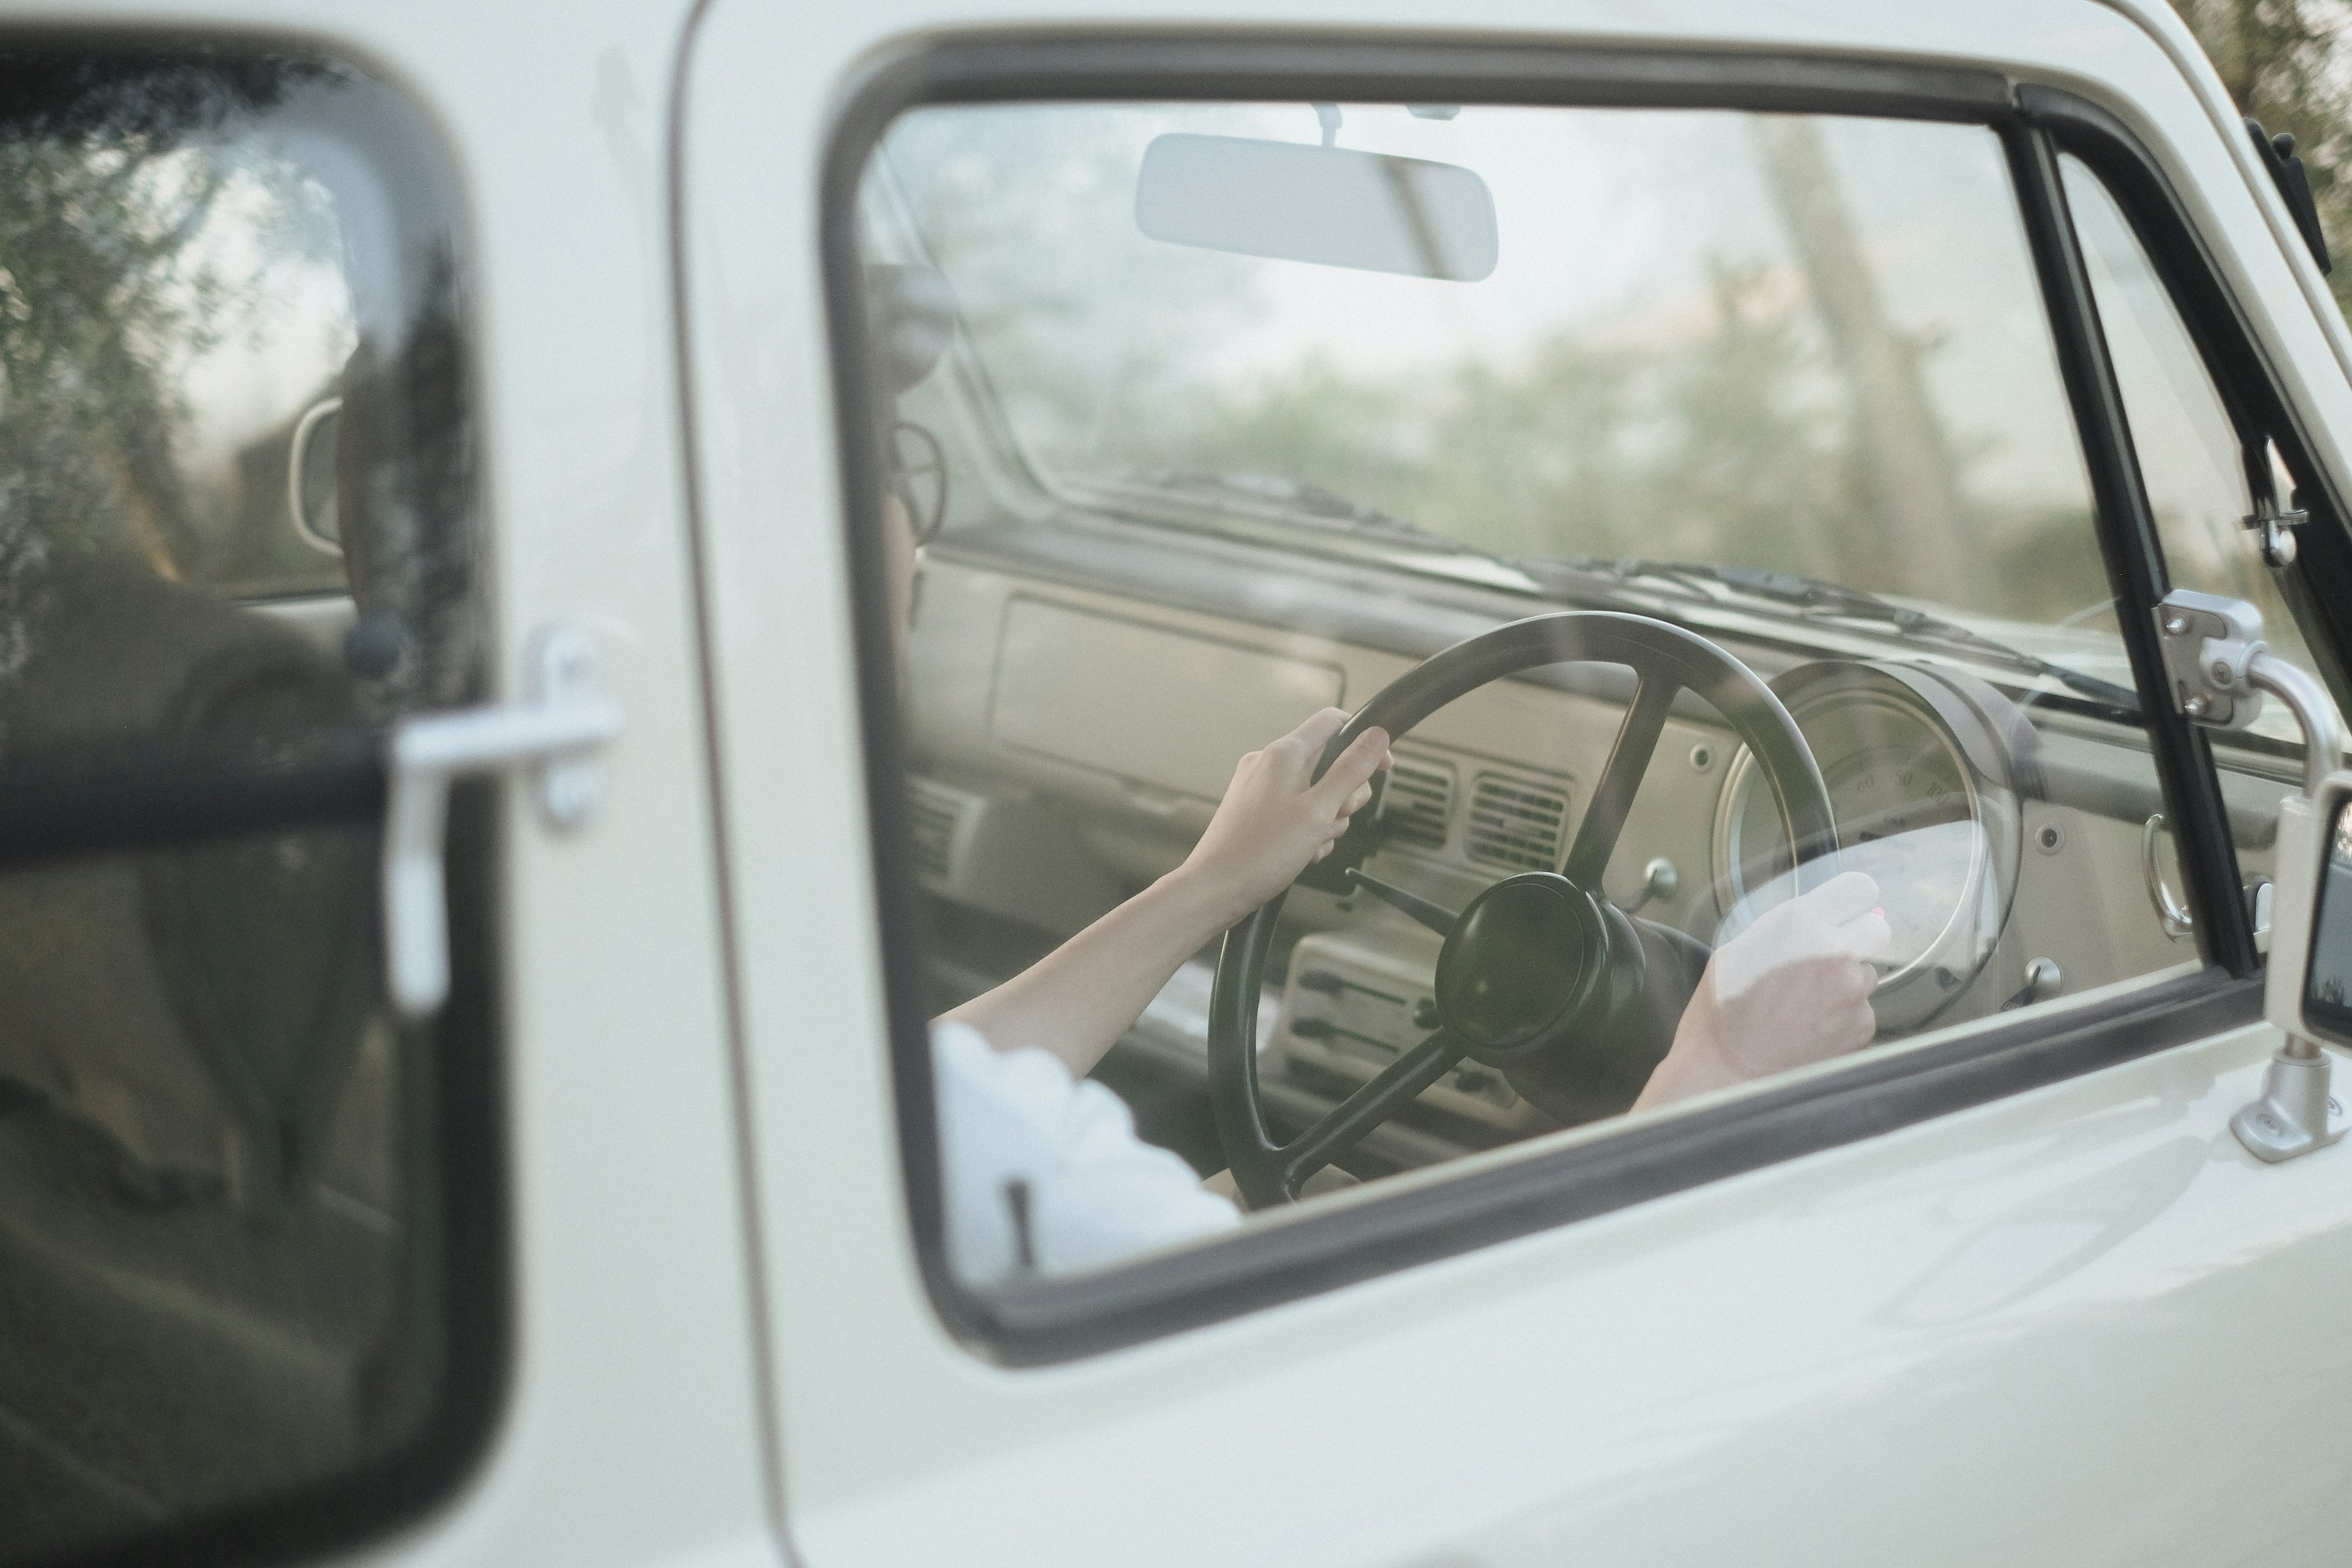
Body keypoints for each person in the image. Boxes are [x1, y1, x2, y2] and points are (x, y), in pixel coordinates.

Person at [862, 269, 1890, 1284]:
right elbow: (1432, 1382)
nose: (891, 671)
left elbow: (944, 1089)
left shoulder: (842, 1089)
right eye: (886, 623)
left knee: (1304, 1191)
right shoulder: (1037, 1184)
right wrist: (1720, 1078)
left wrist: (1212, 885)